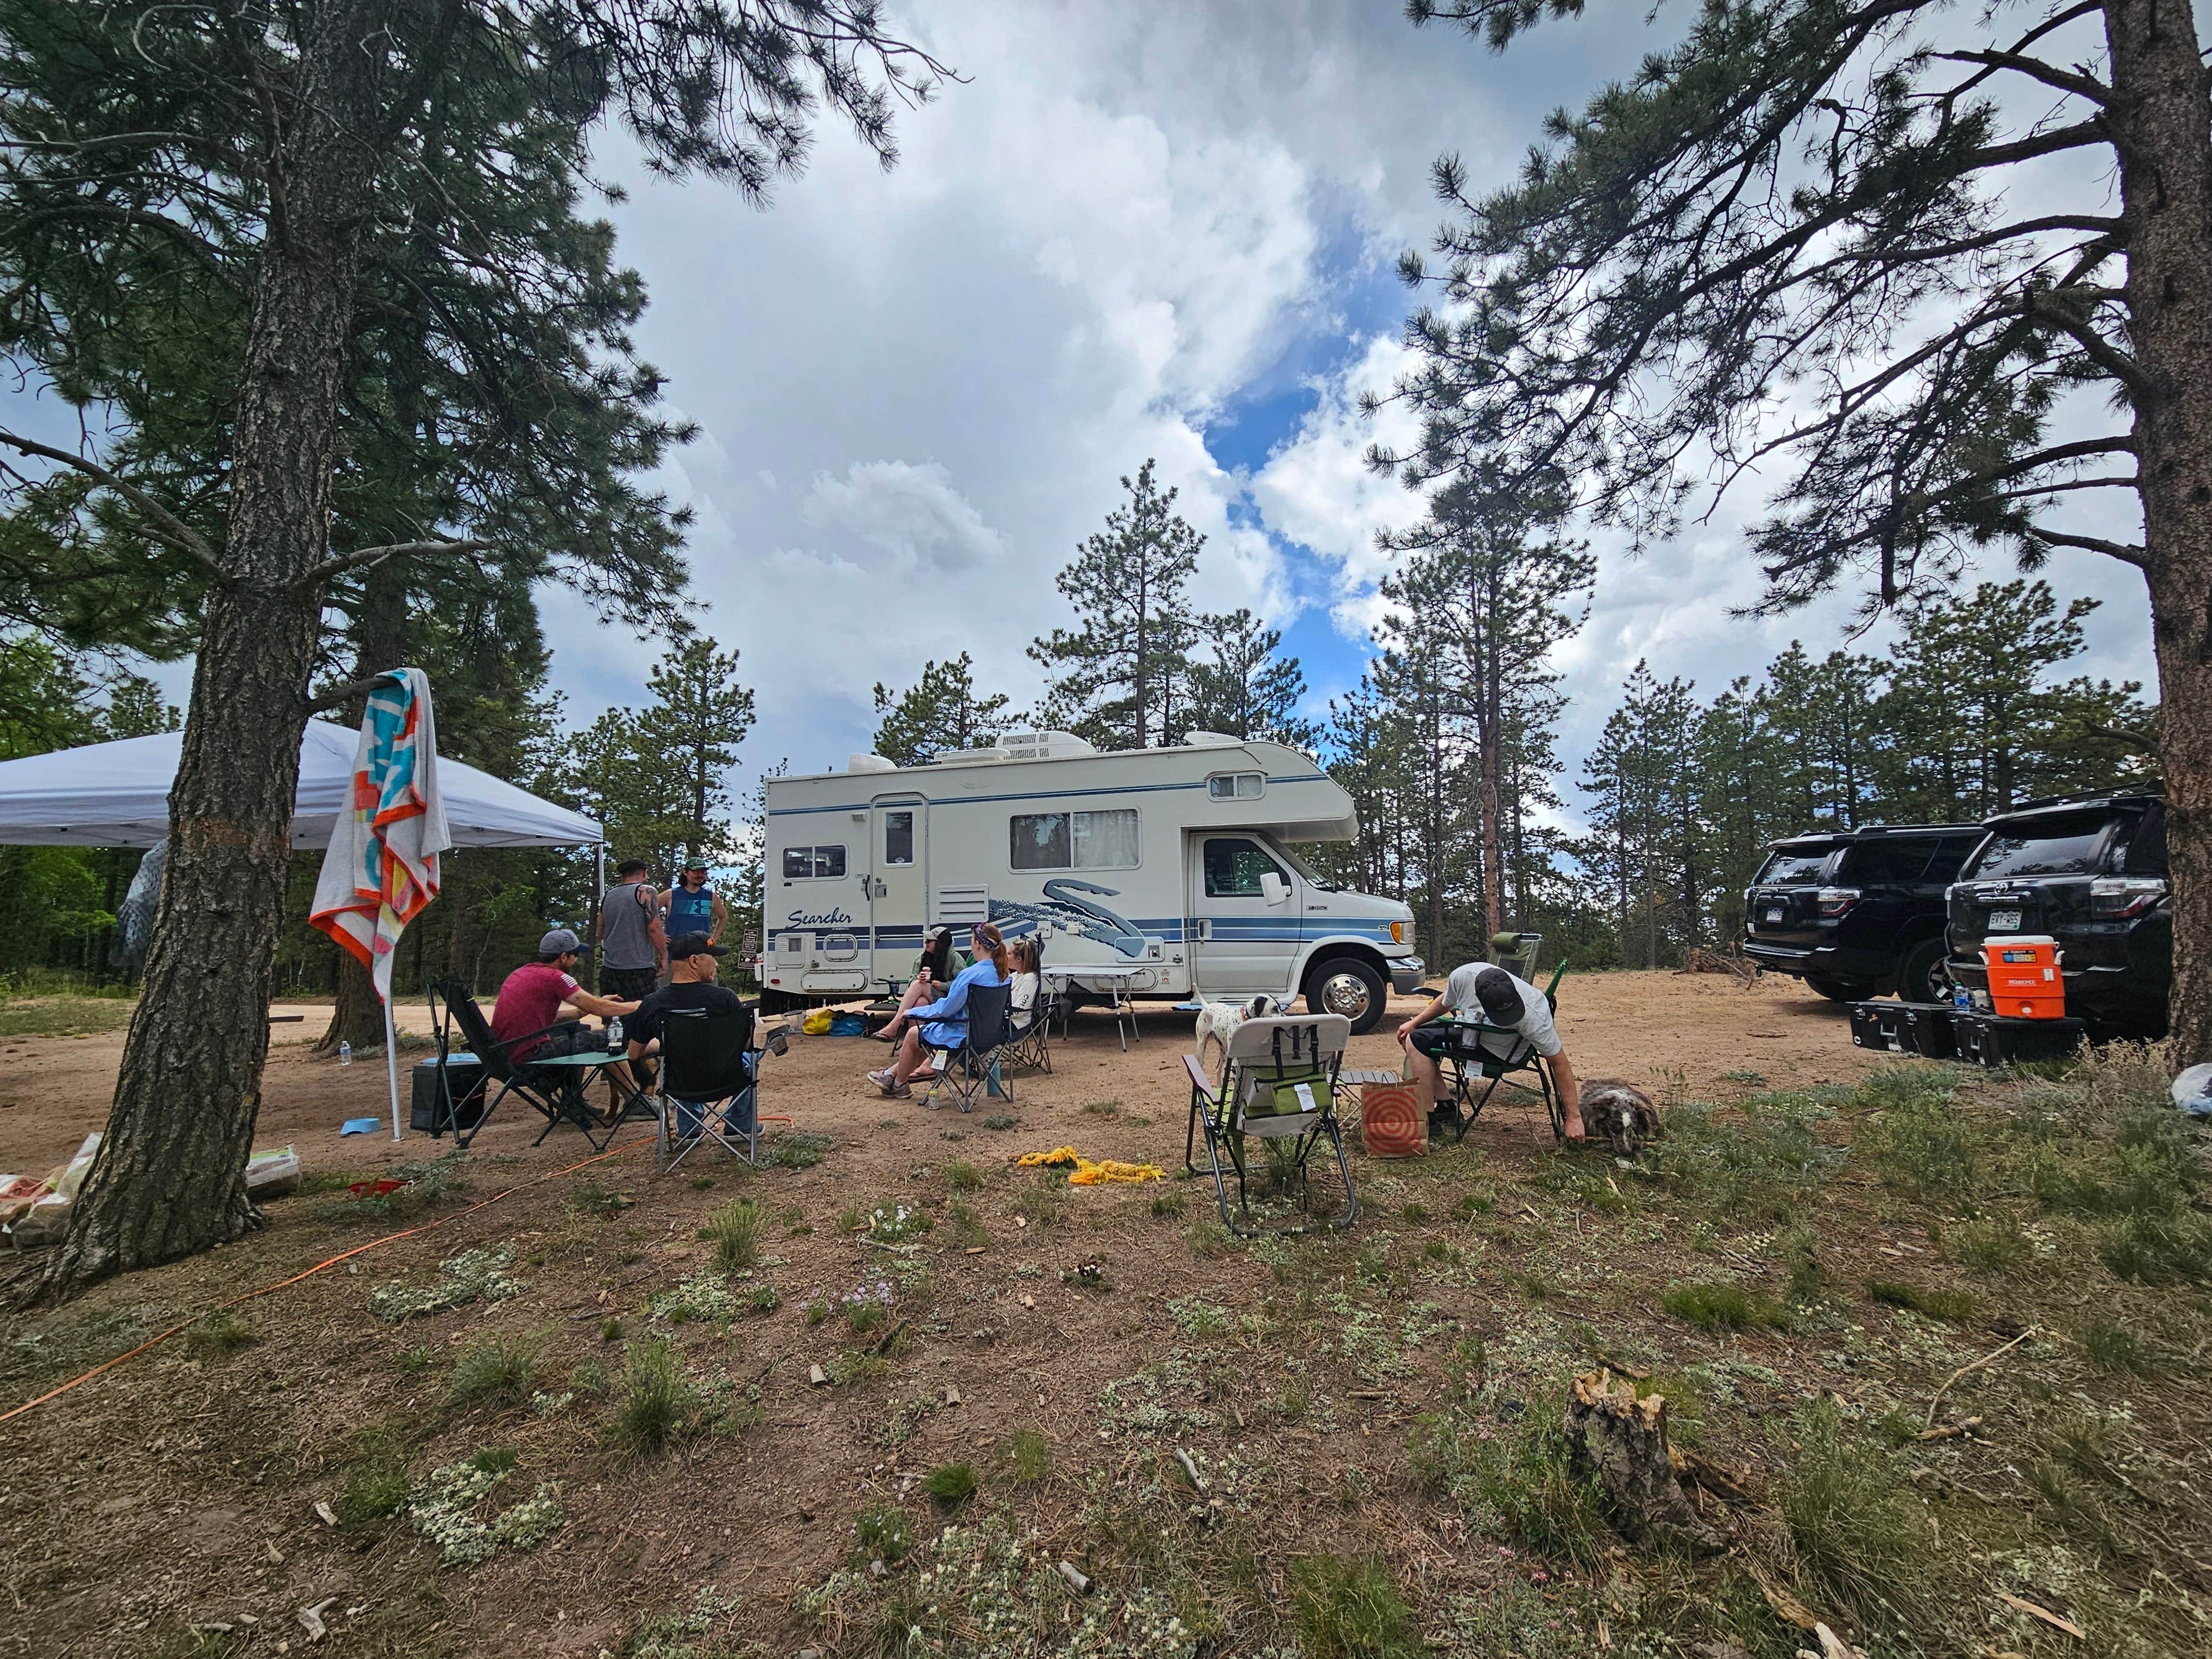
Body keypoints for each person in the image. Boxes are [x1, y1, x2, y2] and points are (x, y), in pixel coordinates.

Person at [1397, 962, 1585, 1141]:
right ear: (1476, 995)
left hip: (1504, 1053)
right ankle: (1445, 1107)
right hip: (1476, 1031)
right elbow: (1448, 1000)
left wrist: (1574, 1118)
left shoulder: (1534, 1015)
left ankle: (1427, 1120)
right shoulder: (1463, 976)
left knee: (1417, 1041)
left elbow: (1560, 1063)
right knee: (1415, 1034)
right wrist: (1415, 1022)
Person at [488, 928, 645, 1106]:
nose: (577, 959)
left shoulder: (521, 973)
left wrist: (584, 1011)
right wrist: (638, 1006)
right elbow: (599, 1008)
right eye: (575, 955)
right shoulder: (556, 977)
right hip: (530, 1057)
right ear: (563, 957)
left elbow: (551, 1017)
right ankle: (636, 1103)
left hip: (504, 1056)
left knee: (579, 1032)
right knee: (607, 1039)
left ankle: (573, 1104)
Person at [868, 922, 1012, 1098]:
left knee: (914, 1035)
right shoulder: (1004, 976)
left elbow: (946, 1009)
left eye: (971, 941)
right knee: (925, 1034)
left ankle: (899, 1084)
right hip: (989, 1037)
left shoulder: (970, 975)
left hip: (963, 1037)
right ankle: (891, 1075)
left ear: (977, 945)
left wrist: (914, 1013)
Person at [870, 925, 961, 1044]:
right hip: (929, 1001)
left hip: (947, 1002)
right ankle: (916, 1045)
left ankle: (895, 1025)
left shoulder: (954, 958)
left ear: (940, 943)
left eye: (929, 941)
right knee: (920, 1002)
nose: (926, 943)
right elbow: (911, 981)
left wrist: (943, 985)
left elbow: (962, 984)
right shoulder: (922, 958)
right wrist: (918, 978)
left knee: (920, 985)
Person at [597, 858, 665, 1003]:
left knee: (613, 1018)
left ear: (623, 876)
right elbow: (654, 928)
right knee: (645, 1016)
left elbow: (600, 932)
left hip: (610, 968)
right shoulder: (646, 892)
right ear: (644, 873)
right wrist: (664, 956)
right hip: (639, 967)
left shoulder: (608, 896)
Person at [662, 862, 725, 956]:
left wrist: (713, 940)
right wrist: (660, 935)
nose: (700, 875)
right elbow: (648, 912)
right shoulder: (670, 895)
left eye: (703, 872)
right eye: (696, 872)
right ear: (686, 873)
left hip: (702, 953)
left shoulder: (711, 896)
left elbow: (723, 917)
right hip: (675, 952)